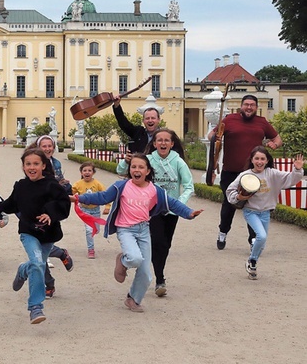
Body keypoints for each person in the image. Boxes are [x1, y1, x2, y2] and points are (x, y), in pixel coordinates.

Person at [73, 153, 203, 312]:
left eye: (141, 167)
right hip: (125, 229)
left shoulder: (155, 190)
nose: (136, 169)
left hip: (143, 231)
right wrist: (79, 199)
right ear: (129, 170)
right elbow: (102, 197)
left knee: (146, 273)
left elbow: (172, 203)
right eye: (133, 166)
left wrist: (189, 213)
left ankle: (133, 299)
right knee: (134, 258)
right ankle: (123, 261)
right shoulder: (121, 186)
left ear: (148, 171)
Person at [0, 147, 70, 324]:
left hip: (48, 236)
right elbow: (11, 204)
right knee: (38, 263)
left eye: (36, 163)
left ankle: (23, 270)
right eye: (28, 164)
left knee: (37, 265)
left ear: (43, 165)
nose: (31, 167)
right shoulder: (21, 186)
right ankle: (36, 307)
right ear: (23, 166)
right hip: (28, 232)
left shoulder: (52, 185)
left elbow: (64, 204)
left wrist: (51, 214)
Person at [118, 128, 194, 297]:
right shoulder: (149, 160)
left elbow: (189, 186)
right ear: (154, 143)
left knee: (165, 245)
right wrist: (125, 161)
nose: (163, 143)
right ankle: (160, 279)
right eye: (159, 140)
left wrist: (178, 205)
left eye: (166, 140)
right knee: (157, 241)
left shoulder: (179, 162)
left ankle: (159, 273)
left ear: (172, 144)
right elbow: (121, 171)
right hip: (151, 210)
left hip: (172, 211)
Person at [209, 94, 282, 250]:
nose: (249, 107)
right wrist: (216, 138)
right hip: (230, 171)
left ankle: (253, 239)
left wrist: (274, 144)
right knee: (230, 203)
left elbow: (278, 139)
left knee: (253, 206)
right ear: (241, 106)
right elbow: (211, 135)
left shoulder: (262, 122)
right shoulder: (229, 120)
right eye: (246, 104)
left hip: (253, 173)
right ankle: (223, 232)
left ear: (256, 107)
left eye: (252, 105)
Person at [227, 149, 303, 280]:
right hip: (250, 211)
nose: (259, 162)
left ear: (267, 160)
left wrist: (297, 170)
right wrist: (238, 197)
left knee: (261, 243)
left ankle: (253, 254)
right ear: (251, 160)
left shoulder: (272, 174)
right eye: (256, 158)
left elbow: (290, 179)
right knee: (261, 236)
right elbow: (230, 191)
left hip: (266, 213)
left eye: (262, 159)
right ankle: (253, 262)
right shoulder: (245, 175)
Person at [36, 135, 74, 297]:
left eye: (49, 146)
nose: (47, 149)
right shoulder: (34, 161)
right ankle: (59, 254)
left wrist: (66, 188)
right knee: (38, 248)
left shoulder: (56, 164)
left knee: (40, 248)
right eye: (44, 146)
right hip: (38, 208)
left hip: (52, 209)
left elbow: (60, 184)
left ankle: (49, 283)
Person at [71, 162, 106, 259]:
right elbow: (71, 193)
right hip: (84, 210)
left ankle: (94, 232)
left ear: (93, 172)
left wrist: (107, 207)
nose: (87, 172)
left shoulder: (97, 184)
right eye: (84, 170)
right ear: (81, 173)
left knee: (96, 229)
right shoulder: (78, 184)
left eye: (89, 170)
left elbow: (105, 195)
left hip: (96, 210)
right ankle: (91, 249)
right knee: (89, 230)